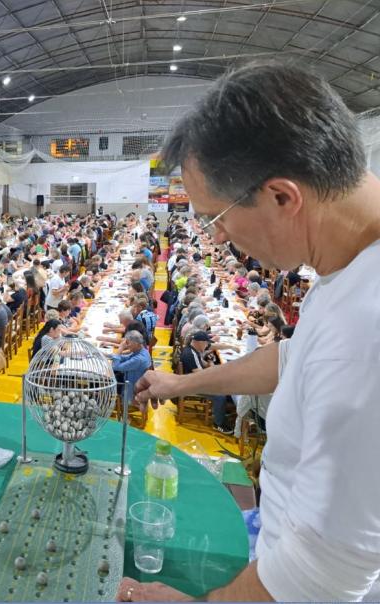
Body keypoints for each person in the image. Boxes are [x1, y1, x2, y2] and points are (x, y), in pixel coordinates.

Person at [120, 62, 380, 602]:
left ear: (283, 197)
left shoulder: (365, 328)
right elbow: (292, 359)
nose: (216, 238)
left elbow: (323, 573)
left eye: (215, 218)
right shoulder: (347, 269)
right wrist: (181, 384)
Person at [110, 330, 152, 404]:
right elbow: (126, 357)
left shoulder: (138, 359)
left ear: (136, 343)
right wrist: (108, 355)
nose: (127, 345)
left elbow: (114, 366)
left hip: (130, 389)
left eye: (128, 343)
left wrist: (121, 348)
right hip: (133, 382)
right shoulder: (143, 351)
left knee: (101, 382)